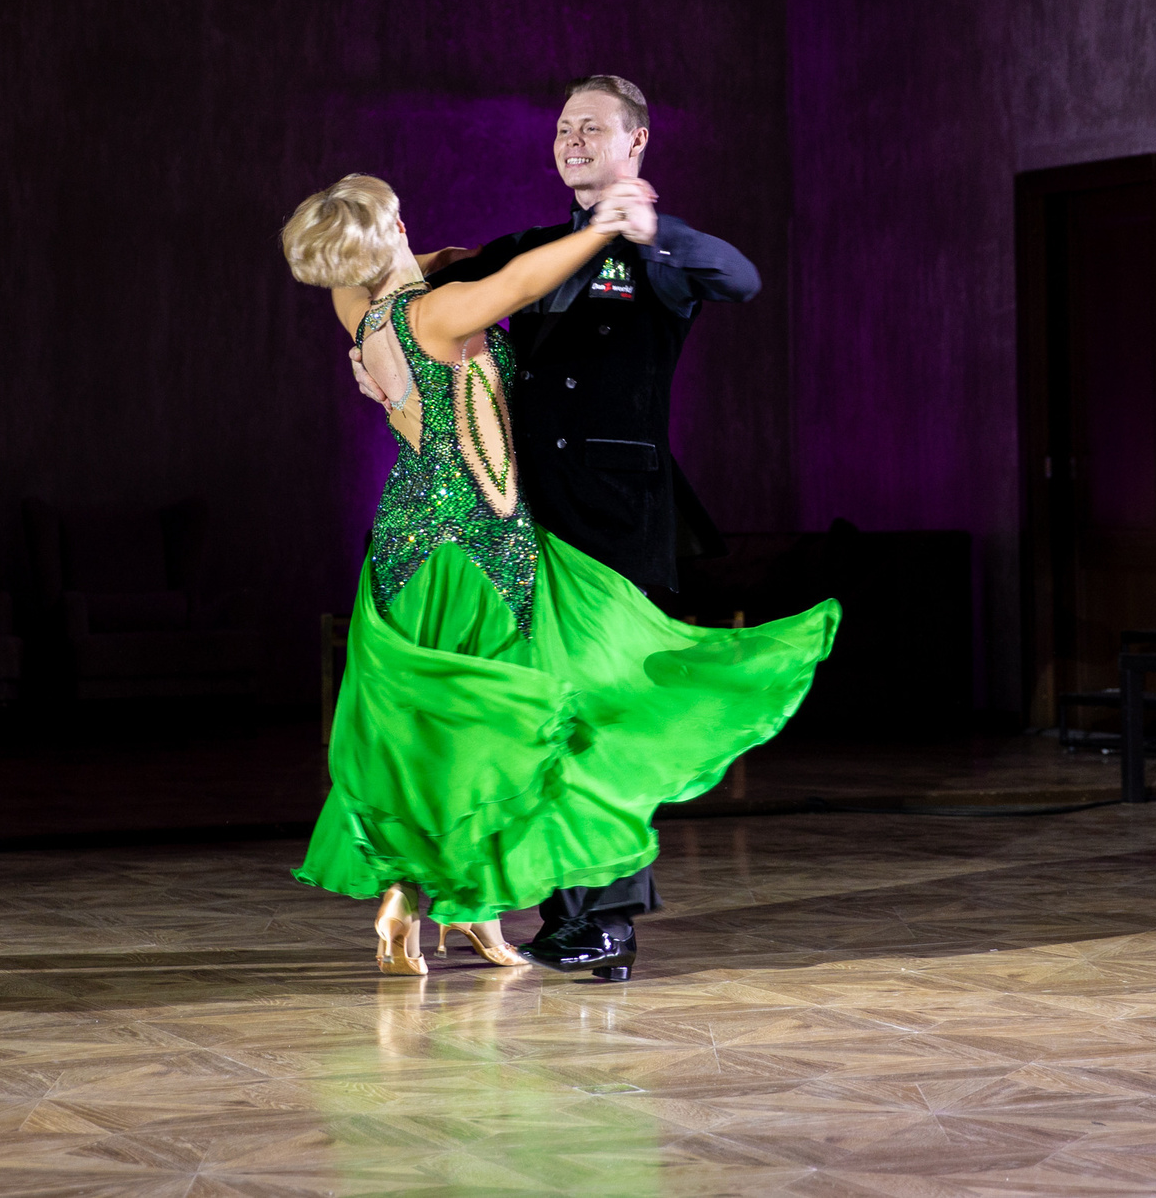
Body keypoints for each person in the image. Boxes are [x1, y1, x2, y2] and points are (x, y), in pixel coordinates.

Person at [281, 173, 834, 980]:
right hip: (475, 544)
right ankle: (451, 898)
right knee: (506, 718)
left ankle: (437, 900)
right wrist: (603, 228)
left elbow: (442, 260)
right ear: (394, 227)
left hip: (404, 542)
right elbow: (515, 283)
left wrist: (442, 255)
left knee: (440, 723)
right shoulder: (437, 311)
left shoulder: (356, 308)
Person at [365, 75, 765, 977]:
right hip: (530, 513)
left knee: (605, 714)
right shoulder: (532, 247)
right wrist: (374, 344)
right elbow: (417, 289)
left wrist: (651, 230)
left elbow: (740, 278)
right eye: (562, 128)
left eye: (592, 126)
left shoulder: (662, 251)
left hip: (620, 517)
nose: (572, 139)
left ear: (638, 142)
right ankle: (570, 914)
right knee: (549, 712)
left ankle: (608, 919)